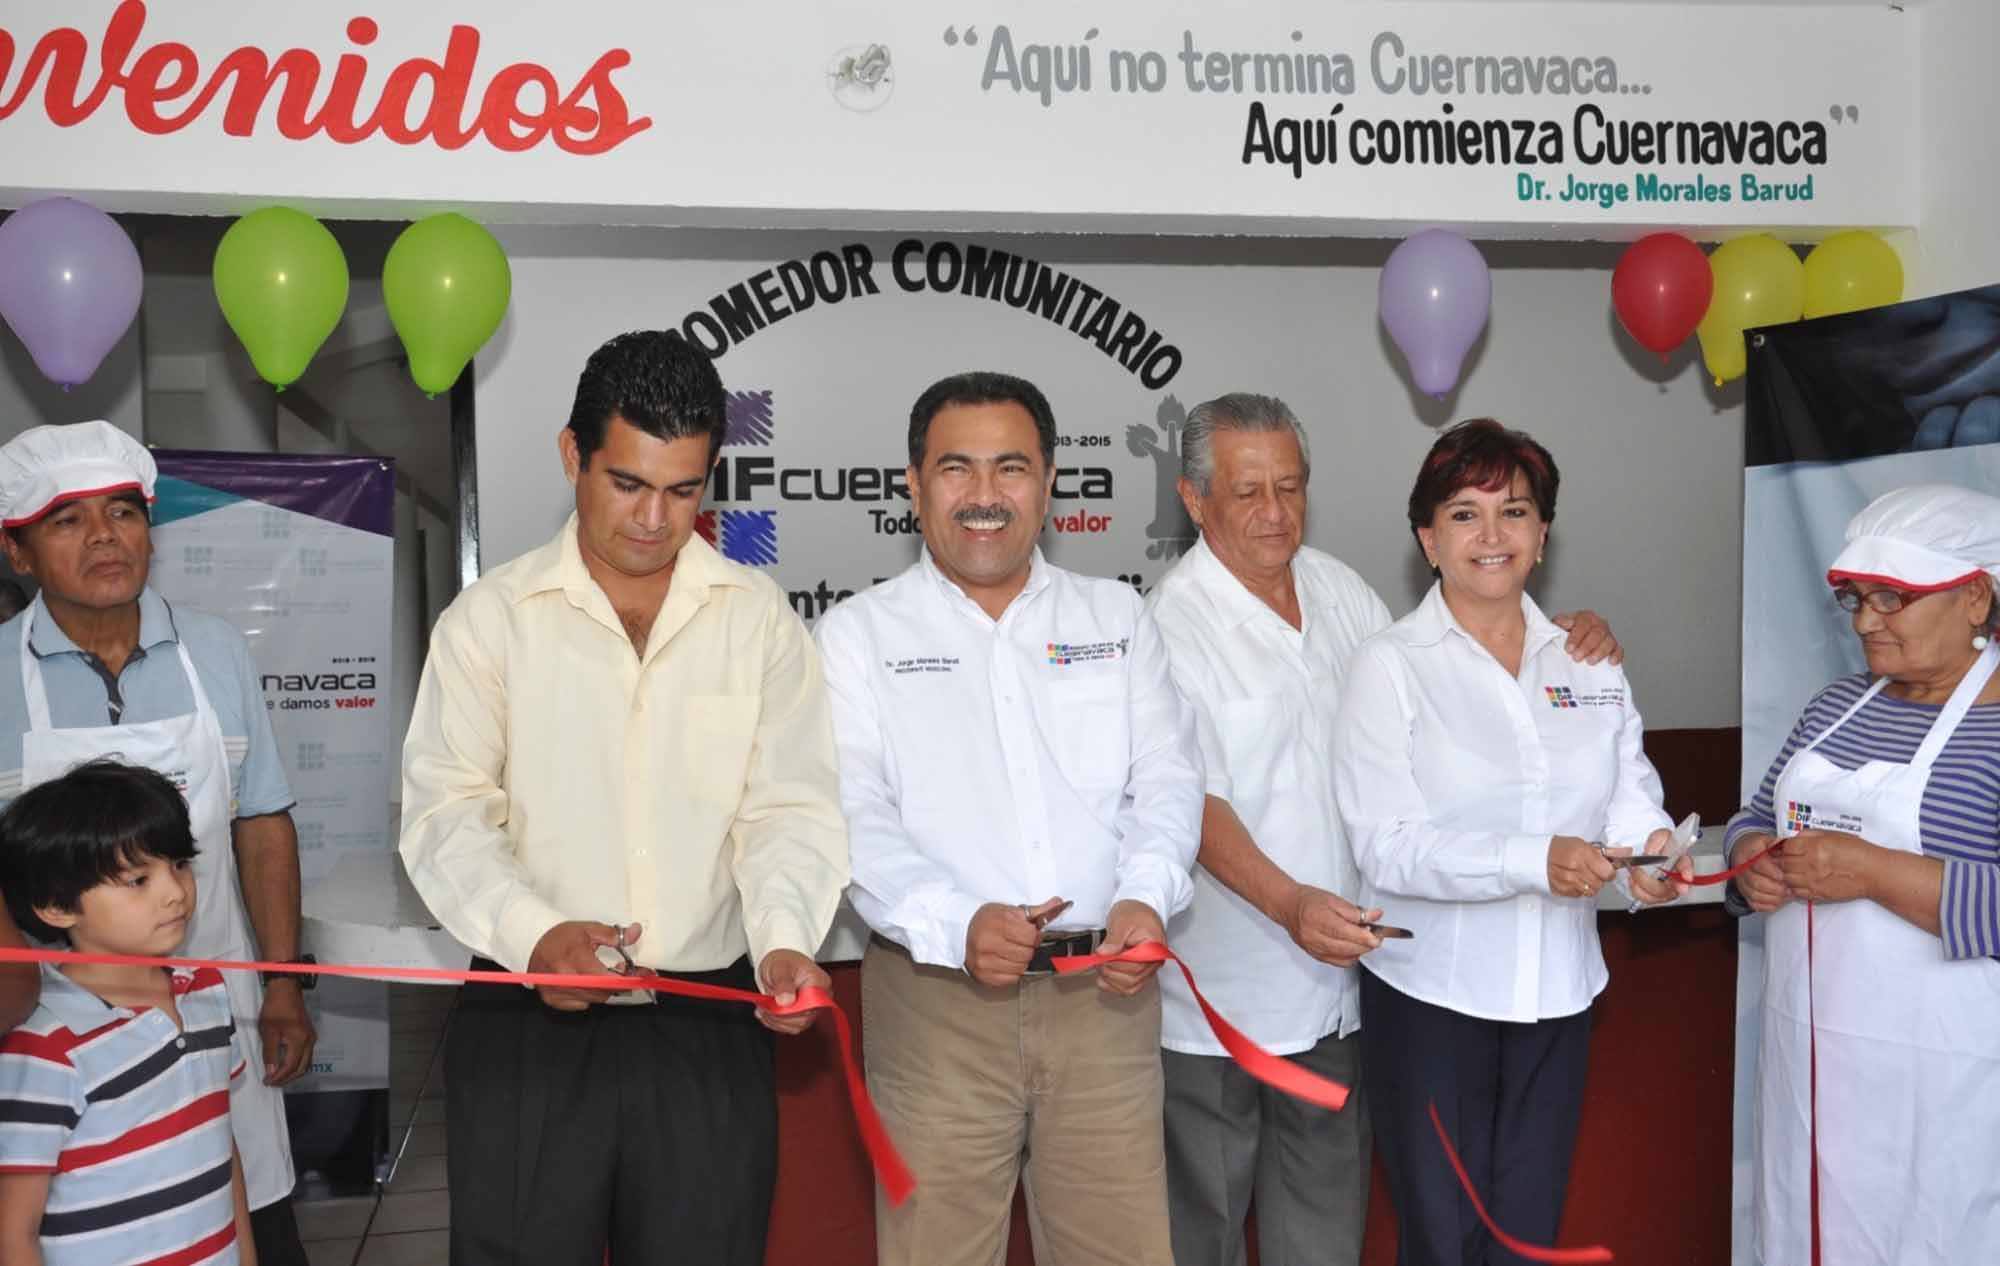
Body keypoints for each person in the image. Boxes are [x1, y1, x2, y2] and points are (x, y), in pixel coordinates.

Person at [398, 330, 849, 1266]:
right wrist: (535, 934)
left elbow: (788, 811)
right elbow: (446, 816)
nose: (654, 518)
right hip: (531, 1022)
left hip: (710, 1020)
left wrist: (783, 940)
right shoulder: (492, 622)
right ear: (574, 455)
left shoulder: (756, 619)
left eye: (684, 490)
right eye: (628, 483)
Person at [1147, 398, 1623, 1266]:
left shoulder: (1337, 590)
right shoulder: (1168, 624)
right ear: (1192, 497)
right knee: (1203, 1233)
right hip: (1224, 998)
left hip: (1350, 989)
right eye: (1248, 491)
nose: (1274, 512)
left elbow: (1446, 667)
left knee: (1326, 1234)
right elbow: (1190, 802)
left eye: (1290, 487)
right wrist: (1289, 902)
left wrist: (1567, 637)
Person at [814, 370, 1203, 1266]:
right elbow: (850, 811)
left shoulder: (1118, 616)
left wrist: (1147, 895)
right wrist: (956, 923)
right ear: (913, 485)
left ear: (1050, 480)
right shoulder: (857, 636)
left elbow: (1169, 776)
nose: (985, 496)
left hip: (1103, 995)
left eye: (1011, 468)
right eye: (957, 469)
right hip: (936, 1007)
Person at [1330, 419, 1685, 1266]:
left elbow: (1629, 794)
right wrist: (1537, 860)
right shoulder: (1388, 666)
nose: (1492, 535)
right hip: (1432, 1001)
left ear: (1543, 532)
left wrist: (1651, 857)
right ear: (1427, 538)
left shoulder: (1589, 659)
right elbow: (1388, 846)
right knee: (1443, 1241)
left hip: (1559, 992)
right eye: (1463, 513)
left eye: (1514, 510)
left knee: (1529, 1238)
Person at [0, 420, 312, 1266]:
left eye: (124, 513)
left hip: (213, 1003)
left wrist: (281, 983)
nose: (105, 536)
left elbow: (263, 826)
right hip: (59, 1030)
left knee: (237, 1202)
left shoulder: (214, 651)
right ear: (17, 552)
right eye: (68, 519)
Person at [1725, 483, 2000, 1266]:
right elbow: (1755, 821)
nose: (1866, 620)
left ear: (1976, 597)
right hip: (1809, 1069)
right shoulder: (1834, 707)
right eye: (1856, 598)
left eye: (1894, 598)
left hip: (1945, 1081)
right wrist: (1752, 864)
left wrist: (1876, 873)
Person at [0, 761, 258, 1266]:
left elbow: (221, 1149)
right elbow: (13, 1234)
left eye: (180, 864)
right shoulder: (47, 1047)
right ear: (56, 905)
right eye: (138, 879)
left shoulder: (205, 992)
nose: (175, 892)